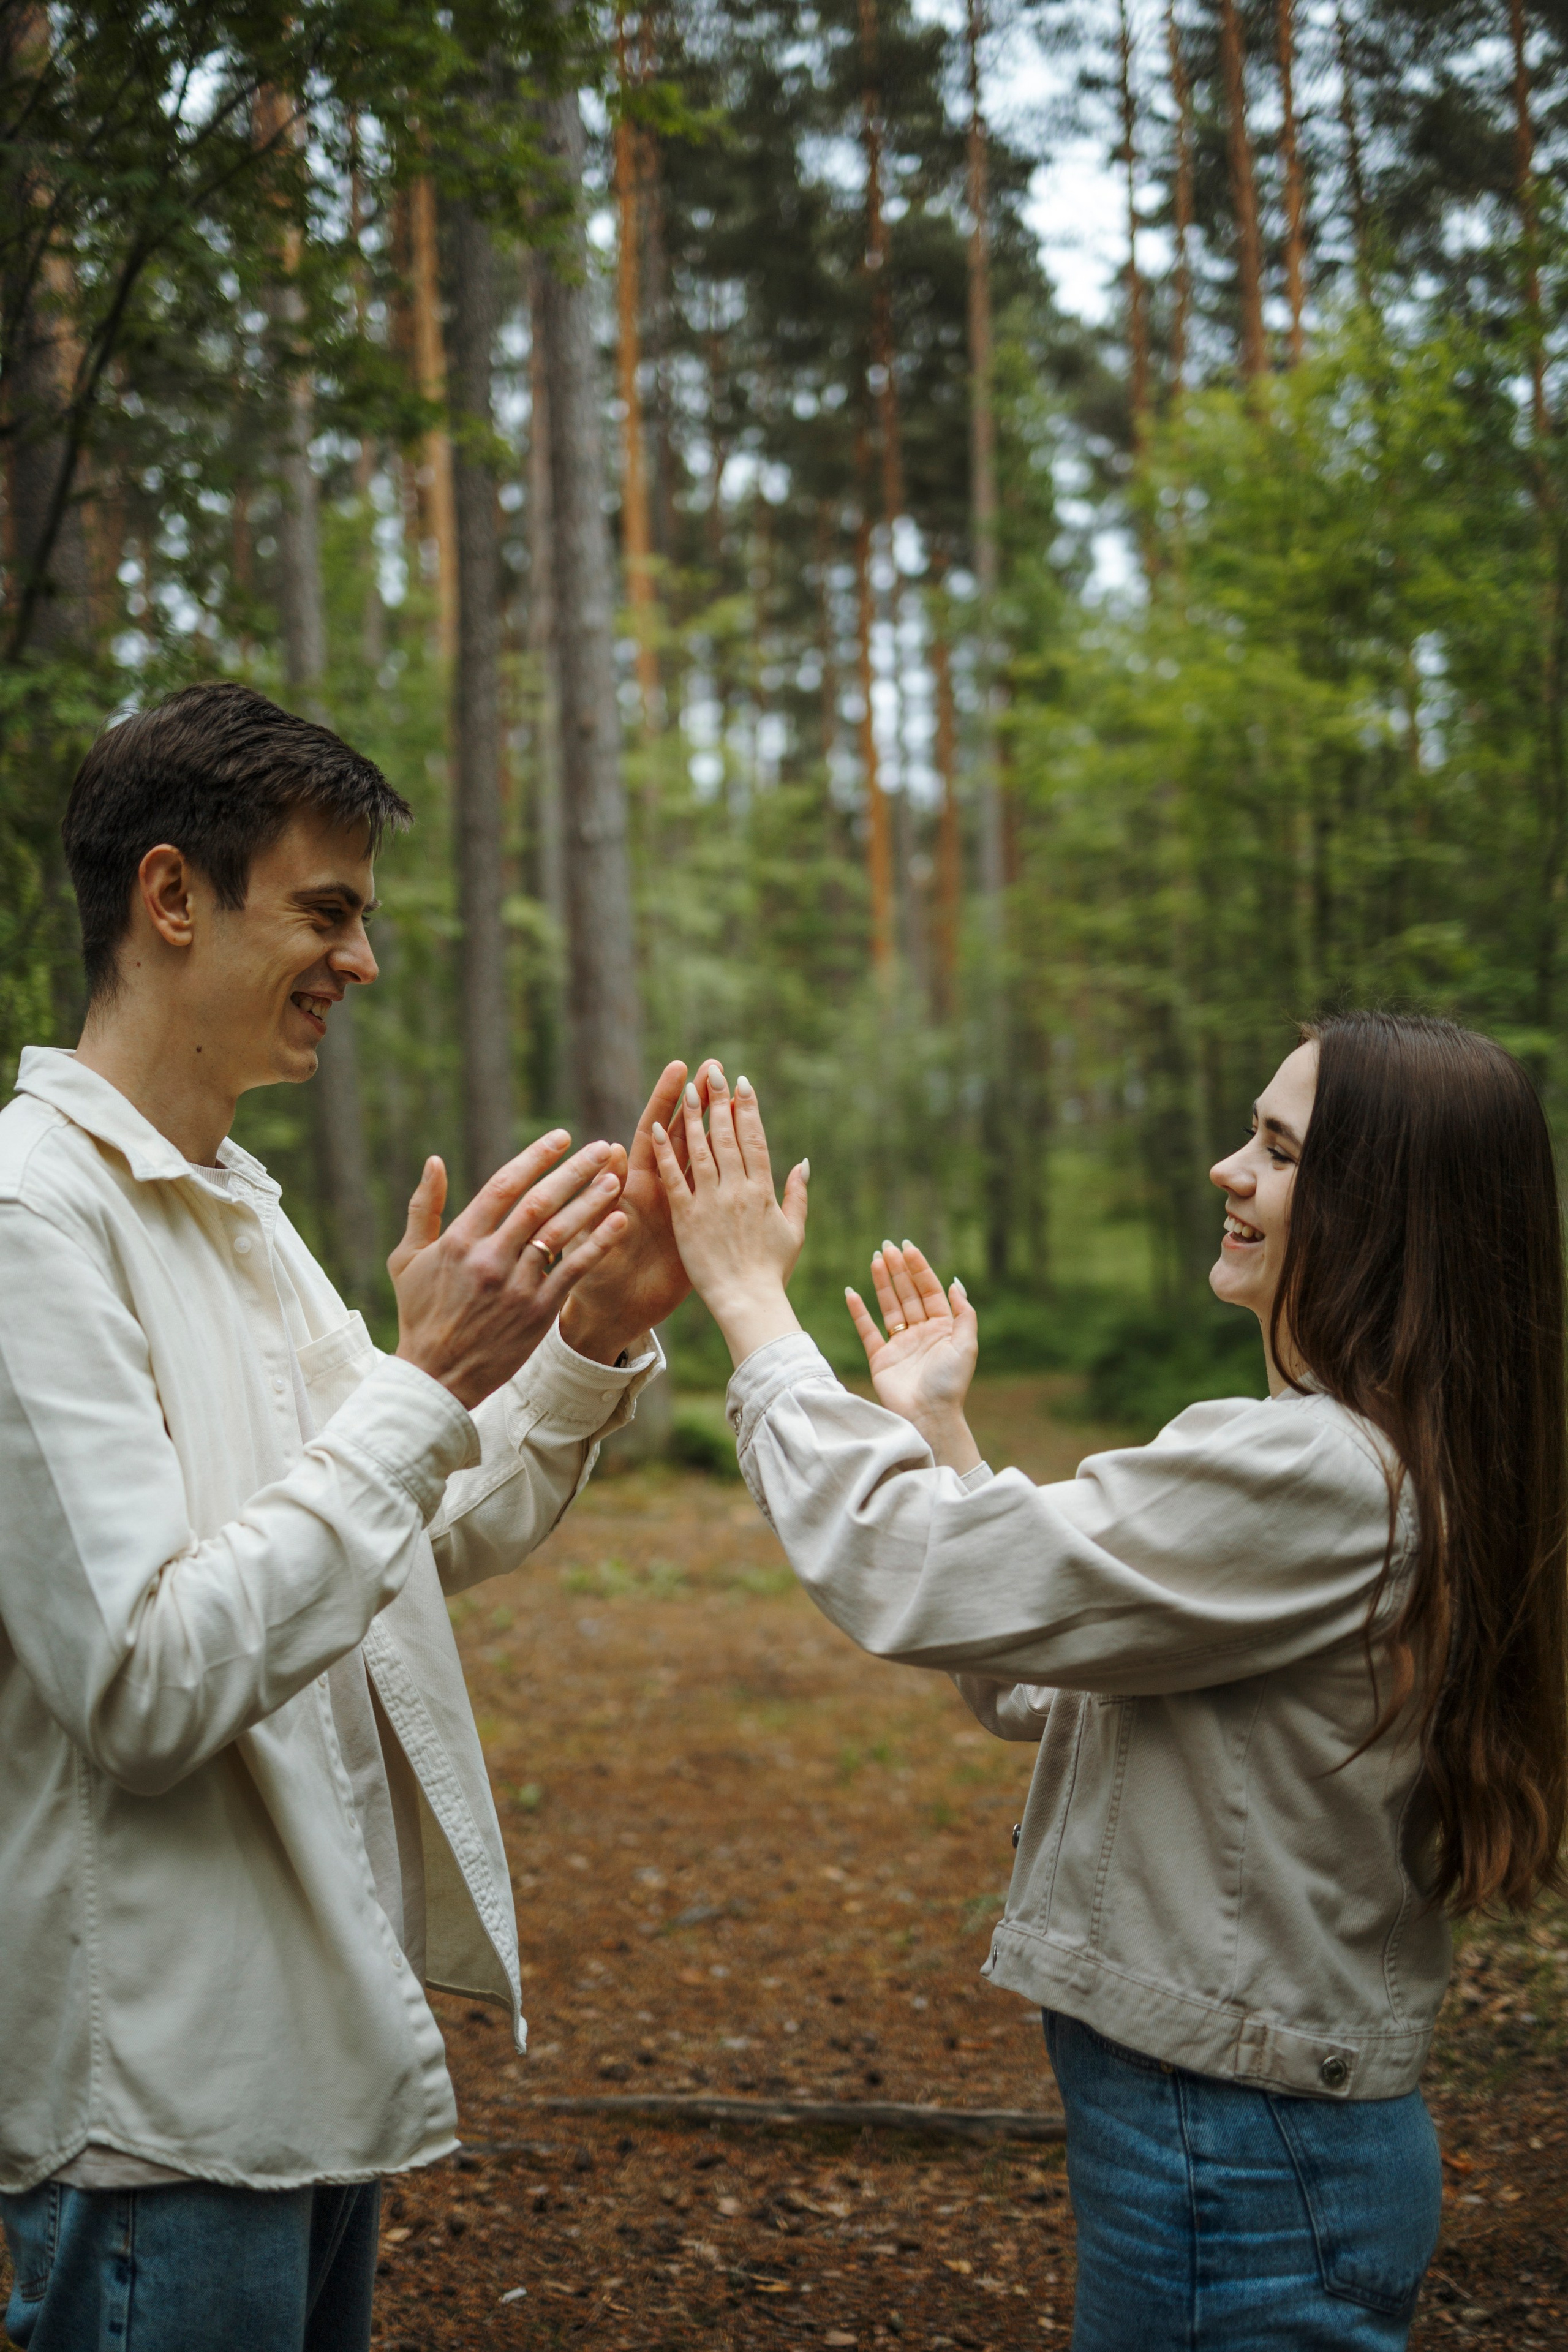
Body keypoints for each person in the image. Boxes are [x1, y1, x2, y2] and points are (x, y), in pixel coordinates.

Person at [647, 1023, 1568, 2349]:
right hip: (1237, 2136)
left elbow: (909, 1571)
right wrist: (941, 1433)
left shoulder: (1318, 1474)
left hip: (1243, 2157)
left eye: (1276, 1151)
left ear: (1381, 1210)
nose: (1224, 1169)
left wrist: (751, 1308)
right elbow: (1051, 1676)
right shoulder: (1365, 1464)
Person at [0, 682, 711, 2352]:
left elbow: (404, 1544)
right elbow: (144, 1681)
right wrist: (422, 1377)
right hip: (157, 2100)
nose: (362, 963)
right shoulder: (33, 1220)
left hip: (305, 2065)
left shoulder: (239, 1211)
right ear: (172, 899)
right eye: (324, 913)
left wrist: (588, 1337)